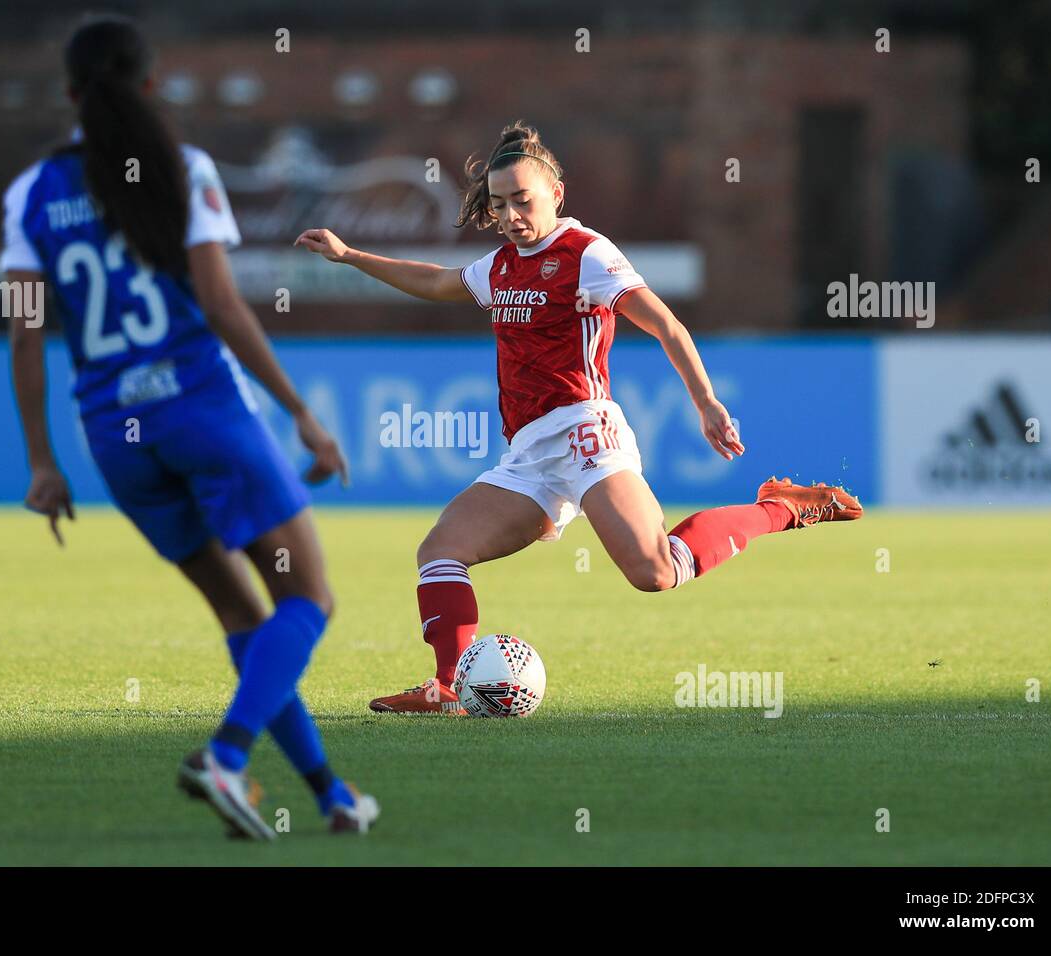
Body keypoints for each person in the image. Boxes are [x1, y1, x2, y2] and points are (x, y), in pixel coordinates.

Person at [295, 121, 863, 714]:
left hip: (588, 435)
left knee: (655, 571)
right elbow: (438, 283)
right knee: (440, 551)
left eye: (523, 200)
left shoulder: (585, 252)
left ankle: (780, 507)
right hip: (529, 454)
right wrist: (349, 255)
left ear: (555, 194)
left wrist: (704, 401)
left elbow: (664, 323)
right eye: (499, 204)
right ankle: (447, 688)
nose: (512, 215)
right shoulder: (501, 265)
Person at [0, 15, 376, 838]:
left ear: (69, 94)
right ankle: (227, 757)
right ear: (152, 84)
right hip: (204, 413)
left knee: (243, 618)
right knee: (307, 598)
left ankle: (330, 796)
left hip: (114, 436)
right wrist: (303, 413)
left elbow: (26, 333)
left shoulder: (30, 193)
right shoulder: (183, 168)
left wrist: (41, 461)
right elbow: (219, 304)